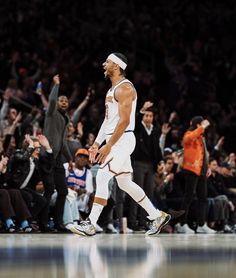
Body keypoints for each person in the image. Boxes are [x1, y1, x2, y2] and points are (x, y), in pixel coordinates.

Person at [70, 52, 171, 236]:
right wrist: (97, 143)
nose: (103, 64)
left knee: (101, 176)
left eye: (107, 61)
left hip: (122, 139)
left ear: (116, 66)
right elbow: (108, 121)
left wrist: (108, 146)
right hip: (115, 139)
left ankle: (91, 223)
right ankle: (156, 215)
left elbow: (123, 121)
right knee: (124, 183)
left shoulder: (125, 89)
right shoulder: (112, 89)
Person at [175, 116, 216, 234]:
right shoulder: (189, 134)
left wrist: (207, 167)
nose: (203, 127)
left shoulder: (201, 137)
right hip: (191, 169)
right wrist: (201, 128)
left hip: (201, 171)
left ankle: (201, 224)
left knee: (203, 198)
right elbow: (187, 140)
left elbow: (204, 155)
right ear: (197, 125)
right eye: (201, 124)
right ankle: (181, 224)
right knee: (188, 197)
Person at [42, 74, 72, 231]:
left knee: (63, 190)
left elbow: (64, 142)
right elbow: (52, 101)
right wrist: (56, 85)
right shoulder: (51, 113)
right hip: (46, 156)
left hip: (58, 158)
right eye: (62, 100)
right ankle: (43, 222)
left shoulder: (65, 119)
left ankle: (58, 222)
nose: (64, 102)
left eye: (66, 101)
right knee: (48, 190)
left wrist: (70, 159)